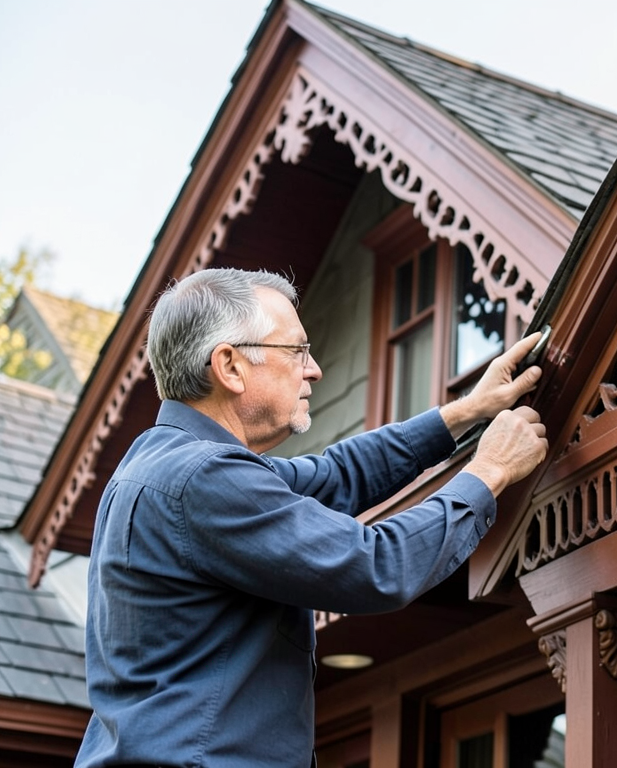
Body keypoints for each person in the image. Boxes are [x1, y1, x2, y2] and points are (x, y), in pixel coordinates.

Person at [74, 267, 548, 767]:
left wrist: (464, 412)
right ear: (230, 366)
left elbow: (334, 475)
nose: (315, 369)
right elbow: (376, 566)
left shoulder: (164, 464)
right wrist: (490, 471)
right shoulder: (204, 477)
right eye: (296, 351)